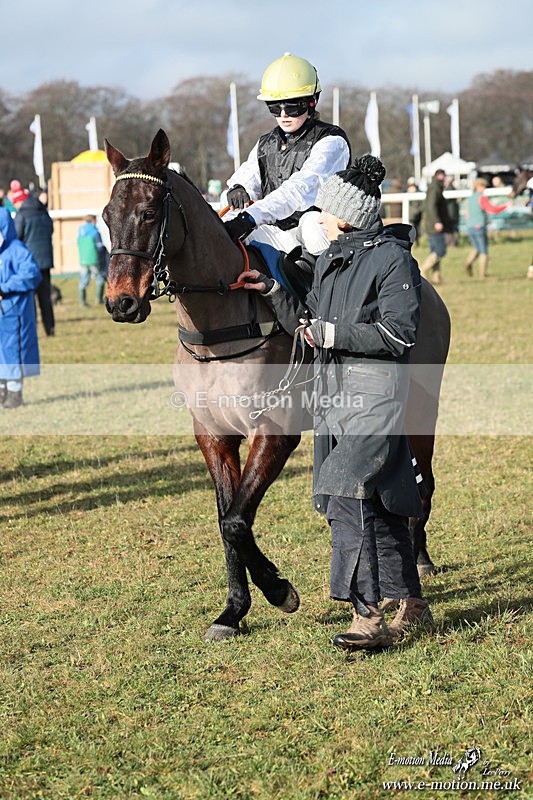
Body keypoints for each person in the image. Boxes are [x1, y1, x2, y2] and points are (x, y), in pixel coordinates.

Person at [236, 155, 433, 651]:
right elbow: (309, 319)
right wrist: (274, 291)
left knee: (348, 498)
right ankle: (413, 602)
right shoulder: (330, 259)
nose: (316, 220)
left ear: (344, 215)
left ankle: (366, 616)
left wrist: (333, 332)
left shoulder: (393, 260)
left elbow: (398, 333)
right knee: (382, 504)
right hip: (332, 400)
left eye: (322, 212)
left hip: (375, 397)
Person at [224, 52, 351, 256]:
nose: (283, 114)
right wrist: (238, 189)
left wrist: (252, 216)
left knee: (310, 223)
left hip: (318, 231)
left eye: (292, 106)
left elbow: (299, 189)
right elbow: (247, 177)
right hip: (276, 231)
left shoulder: (332, 141)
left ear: (312, 102)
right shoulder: (265, 143)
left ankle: (327, 286)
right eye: (274, 106)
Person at [0, 207, 42, 408]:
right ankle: (3, 389)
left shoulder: (17, 250)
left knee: (13, 351)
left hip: (14, 311)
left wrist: (5, 287)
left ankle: (15, 393)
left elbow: (31, 274)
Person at [11, 180, 55, 336]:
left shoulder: (21, 215)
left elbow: (16, 238)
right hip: (45, 262)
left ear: (19, 201)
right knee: (45, 299)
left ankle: (32, 331)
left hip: (29, 264)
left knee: (30, 300)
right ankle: (50, 329)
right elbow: (51, 230)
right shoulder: (43, 211)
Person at [464, 178, 512, 278]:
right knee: (483, 251)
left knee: (476, 248)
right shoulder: (482, 198)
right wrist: (505, 206)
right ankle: (482, 274)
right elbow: (492, 209)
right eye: (483, 186)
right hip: (479, 226)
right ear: (478, 186)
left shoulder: (469, 199)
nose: (484, 188)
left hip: (470, 227)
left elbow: (466, 214)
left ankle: (468, 263)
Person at [420, 169, 450, 285]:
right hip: (434, 224)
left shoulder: (435, 187)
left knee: (435, 251)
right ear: (440, 176)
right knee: (440, 250)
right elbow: (431, 206)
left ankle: (437, 277)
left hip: (431, 223)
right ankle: (423, 270)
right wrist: (437, 221)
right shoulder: (435, 188)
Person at [77, 215, 108, 305]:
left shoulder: (80, 230)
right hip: (94, 259)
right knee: (99, 277)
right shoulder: (95, 231)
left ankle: (82, 302)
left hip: (83, 259)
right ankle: (99, 300)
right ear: (93, 220)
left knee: (83, 278)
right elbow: (99, 247)